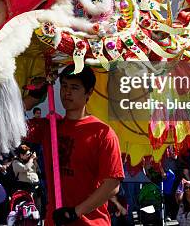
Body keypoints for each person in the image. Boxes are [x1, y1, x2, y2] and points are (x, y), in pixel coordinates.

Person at [26, 65, 125, 225]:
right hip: (54, 220)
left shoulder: (103, 133)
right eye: (64, 86)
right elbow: (5, 125)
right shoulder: (49, 127)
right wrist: (32, 99)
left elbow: (112, 185)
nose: (67, 92)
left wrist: (75, 212)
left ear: (89, 92)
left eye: (74, 87)